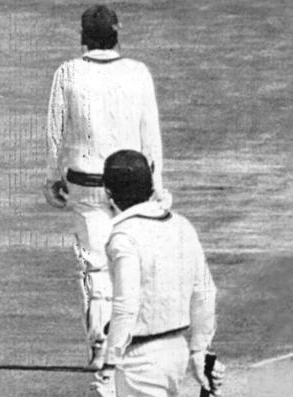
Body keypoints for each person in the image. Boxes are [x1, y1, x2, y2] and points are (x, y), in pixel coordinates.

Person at [42, 4, 171, 369]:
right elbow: (151, 134)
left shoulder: (67, 72)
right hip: (132, 185)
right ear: (117, 34)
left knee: (96, 269)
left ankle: (102, 350)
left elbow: (55, 131)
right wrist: (158, 184)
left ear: (83, 37)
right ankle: (134, 347)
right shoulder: (138, 72)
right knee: (130, 264)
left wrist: (51, 177)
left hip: (84, 184)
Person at [87, 149, 223, 397]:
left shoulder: (123, 236)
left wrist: (107, 368)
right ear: (151, 179)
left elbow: (125, 307)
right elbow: (205, 293)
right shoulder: (181, 226)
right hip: (173, 353)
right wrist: (198, 350)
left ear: (108, 192)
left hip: (139, 363)